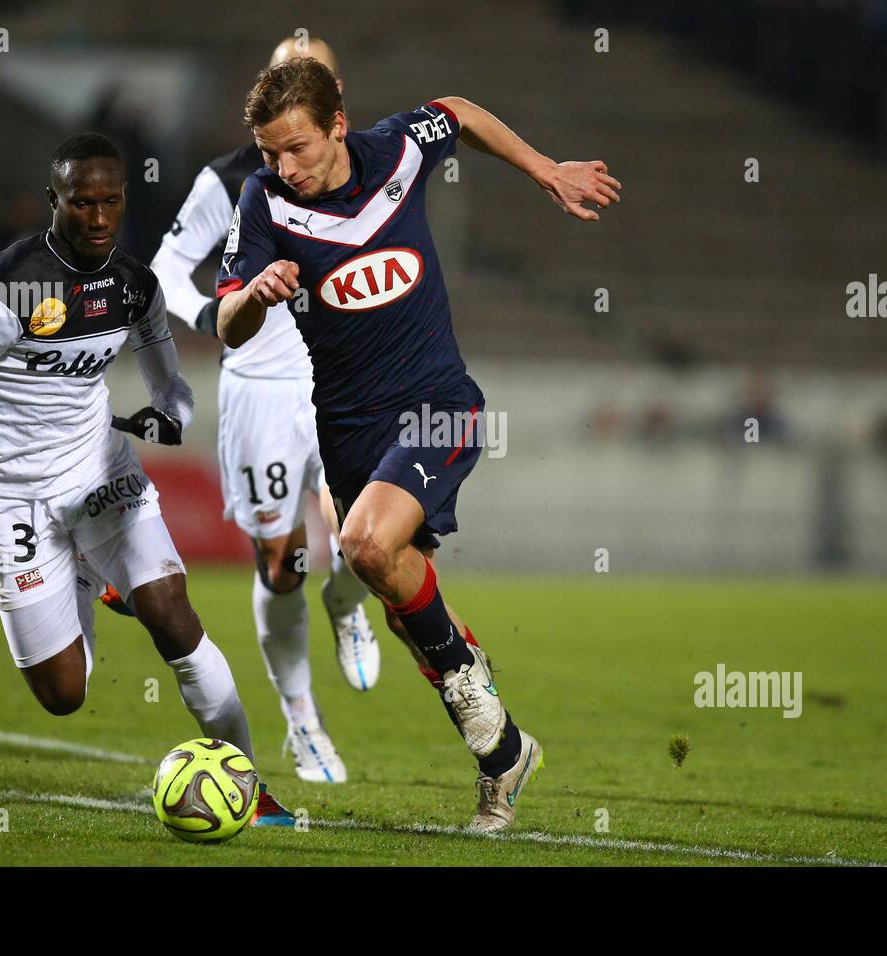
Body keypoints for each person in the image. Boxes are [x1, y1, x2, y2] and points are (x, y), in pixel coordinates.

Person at [215, 59, 621, 830]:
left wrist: (543, 170)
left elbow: (460, 109)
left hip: (439, 404)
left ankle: (482, 708)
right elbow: (225, 318)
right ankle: (503, 754)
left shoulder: (400, 149)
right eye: (270, 153)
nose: (283, 166)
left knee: (365, 544)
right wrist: (255, 299)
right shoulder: (263, 200)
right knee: (405, 610)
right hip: (349, 432)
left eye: (297, 147)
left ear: (338, 125)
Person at [0, 132, 291, 826]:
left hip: (100, 475)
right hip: (12, 496)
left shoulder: (133, 285)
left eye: (110, 202)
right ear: (54, 201)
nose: (97, 217)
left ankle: (252, 784)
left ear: (123, 200)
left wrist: (164, 417)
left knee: (172, 616)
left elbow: (173, 388)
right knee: (65, 693)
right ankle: (92, 576)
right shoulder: (7, 285)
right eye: (81, 202)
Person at [150, 36, 376, 785]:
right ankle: (302, 722)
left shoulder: (367, 165)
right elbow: (166, 271)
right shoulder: (236, 178)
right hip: (260, 389)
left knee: (363, 541)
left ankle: (347, 603)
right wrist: (221, 316)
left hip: (344, 378)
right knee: (282, 565)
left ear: (333, 92)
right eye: (280, 75)